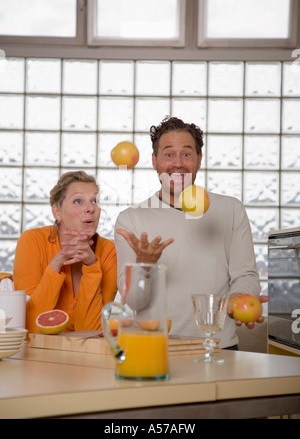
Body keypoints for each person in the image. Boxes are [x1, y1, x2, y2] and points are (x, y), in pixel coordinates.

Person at [115, 116, 268, 349]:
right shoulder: (131, 219)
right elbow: (132, 302)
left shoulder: (231, 209)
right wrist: (144, 266)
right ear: (154, 161)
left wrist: (240, 295)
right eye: (168, 154)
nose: (178, 163)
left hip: (219, 347)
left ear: (198, 160)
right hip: (155, 349)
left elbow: (245, 275)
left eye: (186, 154)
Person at [14, 171, 117, 333]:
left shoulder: (109, 251)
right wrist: (55, 265)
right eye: (78, 201)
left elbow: (91, 331)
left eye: (94, 201)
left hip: (85, 355)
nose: (90, 208)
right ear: (57, 212)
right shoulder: (32, 241)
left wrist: (92, 266)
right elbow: (32, 326)